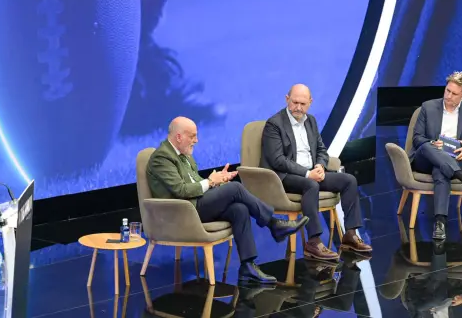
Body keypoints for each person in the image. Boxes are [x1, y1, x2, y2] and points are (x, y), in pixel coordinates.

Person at [146, 116, 309, 284]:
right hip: (182, 212)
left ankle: (248, 266)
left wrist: (217, 180)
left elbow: (194, 183)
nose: (196, 140)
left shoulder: (184, 154)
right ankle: (274, 223)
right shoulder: (162, 158)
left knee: (239, 209)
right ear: (179, 137)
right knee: (235, 188)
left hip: (195, 204)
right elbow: (180, 190)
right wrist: (210, 182)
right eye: (192, 136)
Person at [260, 84, 372, 261]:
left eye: (303, 104)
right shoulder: (274, 124)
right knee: (311, 184)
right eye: (295, 102)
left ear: (310, 103)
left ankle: (350, 235)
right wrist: (307, 173)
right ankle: (313, 242)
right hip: (283, 177)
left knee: (349, 180)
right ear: (287, 99)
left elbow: (321, 149)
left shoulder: (310, 121)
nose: (298, 107)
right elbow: (277, 160)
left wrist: (320, 165)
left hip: (311, 173)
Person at [410, 71, 462, 241]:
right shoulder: (428, 107)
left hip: (453, 158)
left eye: (454, 94)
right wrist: (433, 144)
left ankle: (440, 222)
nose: (448, 96)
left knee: (441, 171)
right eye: (447, 90)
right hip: (425, 157)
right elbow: (417, 138)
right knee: (426, 146)